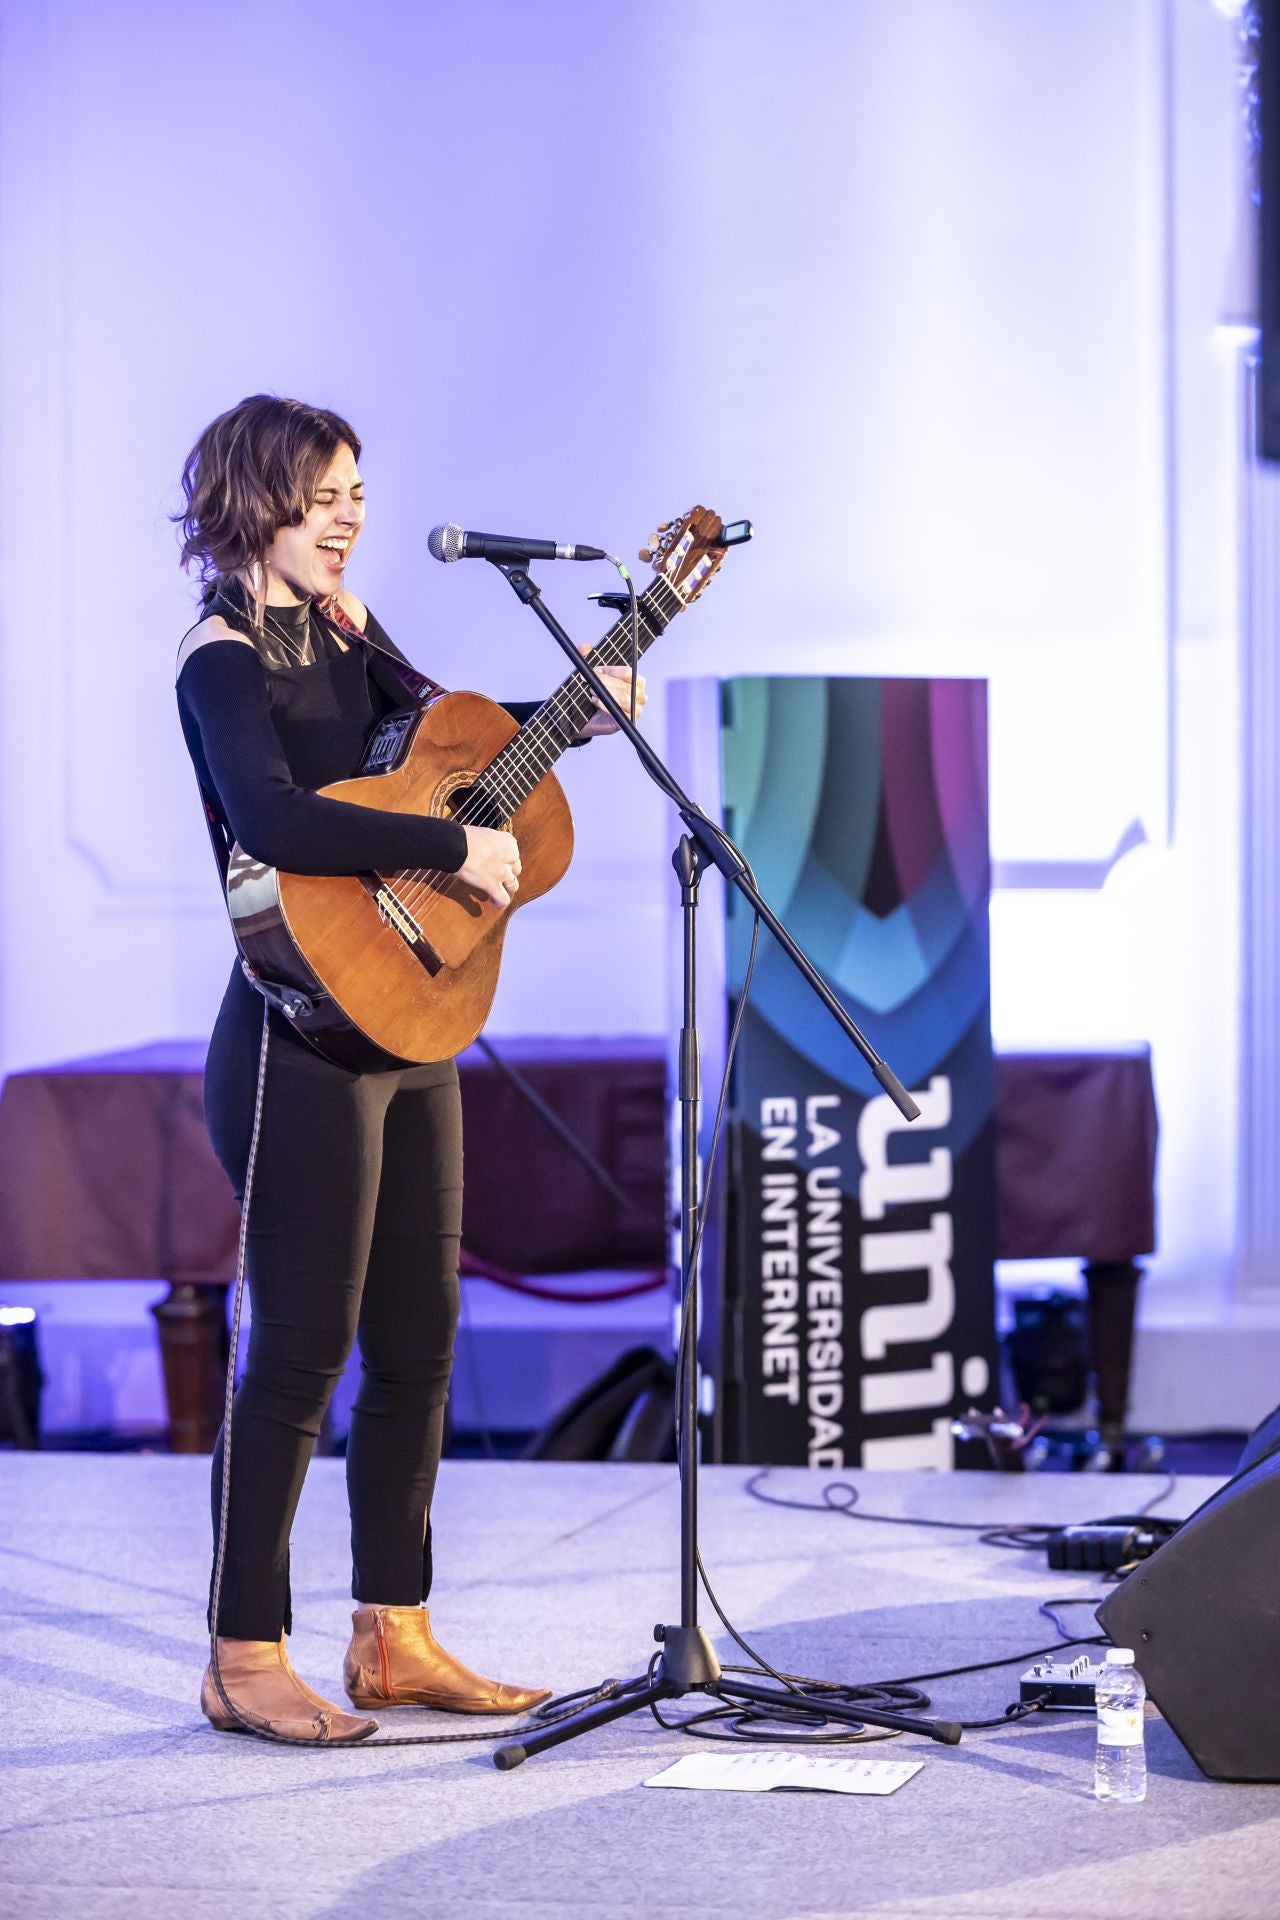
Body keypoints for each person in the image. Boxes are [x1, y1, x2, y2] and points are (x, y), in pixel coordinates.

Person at [174, 394, 645, 1742]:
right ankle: (242, 1655)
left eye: (358, 495)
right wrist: (449, 856)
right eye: (324, 497)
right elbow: (271, 818)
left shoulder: (351, 630)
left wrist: (576, 720)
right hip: (294, 1035)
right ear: (254, 501)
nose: (349, 518)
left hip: (411, 1017)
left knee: (420, 1342)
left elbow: (450, 751)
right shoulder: (218, 659)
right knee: (300, 1351)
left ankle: (395, 1631)